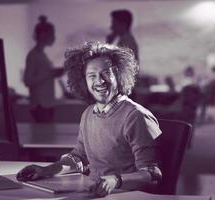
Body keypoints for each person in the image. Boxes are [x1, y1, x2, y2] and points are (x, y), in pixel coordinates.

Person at [17, 41, 163, 197]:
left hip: (126, 195)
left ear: (119, 74)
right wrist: (47, 170)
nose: (99, 81)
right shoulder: (88, 114)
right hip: (92, 193)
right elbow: (79, 157)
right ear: (84, 81)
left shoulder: (136, 116)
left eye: (106, 73)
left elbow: (152, 174)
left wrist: (115, 180)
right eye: (92, 76)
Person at [23, 15, 64, 123]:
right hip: (40, 105)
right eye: (52, 34)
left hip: (47, 104)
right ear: (42, 34)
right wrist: (50, 74)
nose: (53, 37)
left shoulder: (42, 55)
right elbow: (28, 81)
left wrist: (54, 73)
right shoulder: (33, 55)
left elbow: (43, 75)